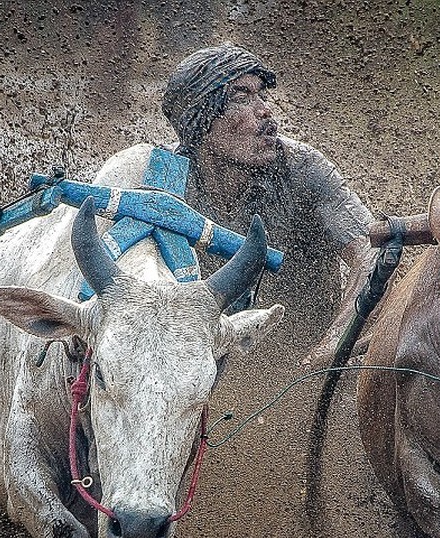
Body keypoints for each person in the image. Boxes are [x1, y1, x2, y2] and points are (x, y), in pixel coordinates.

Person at [160, 42, 380, 367]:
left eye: (261, 95)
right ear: (199, 121)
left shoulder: (303, 167)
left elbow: (371, 252)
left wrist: (335, 344)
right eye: (241, 97)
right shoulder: (165, 181)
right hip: (200, 360)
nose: (264, 111)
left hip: (306, 358)